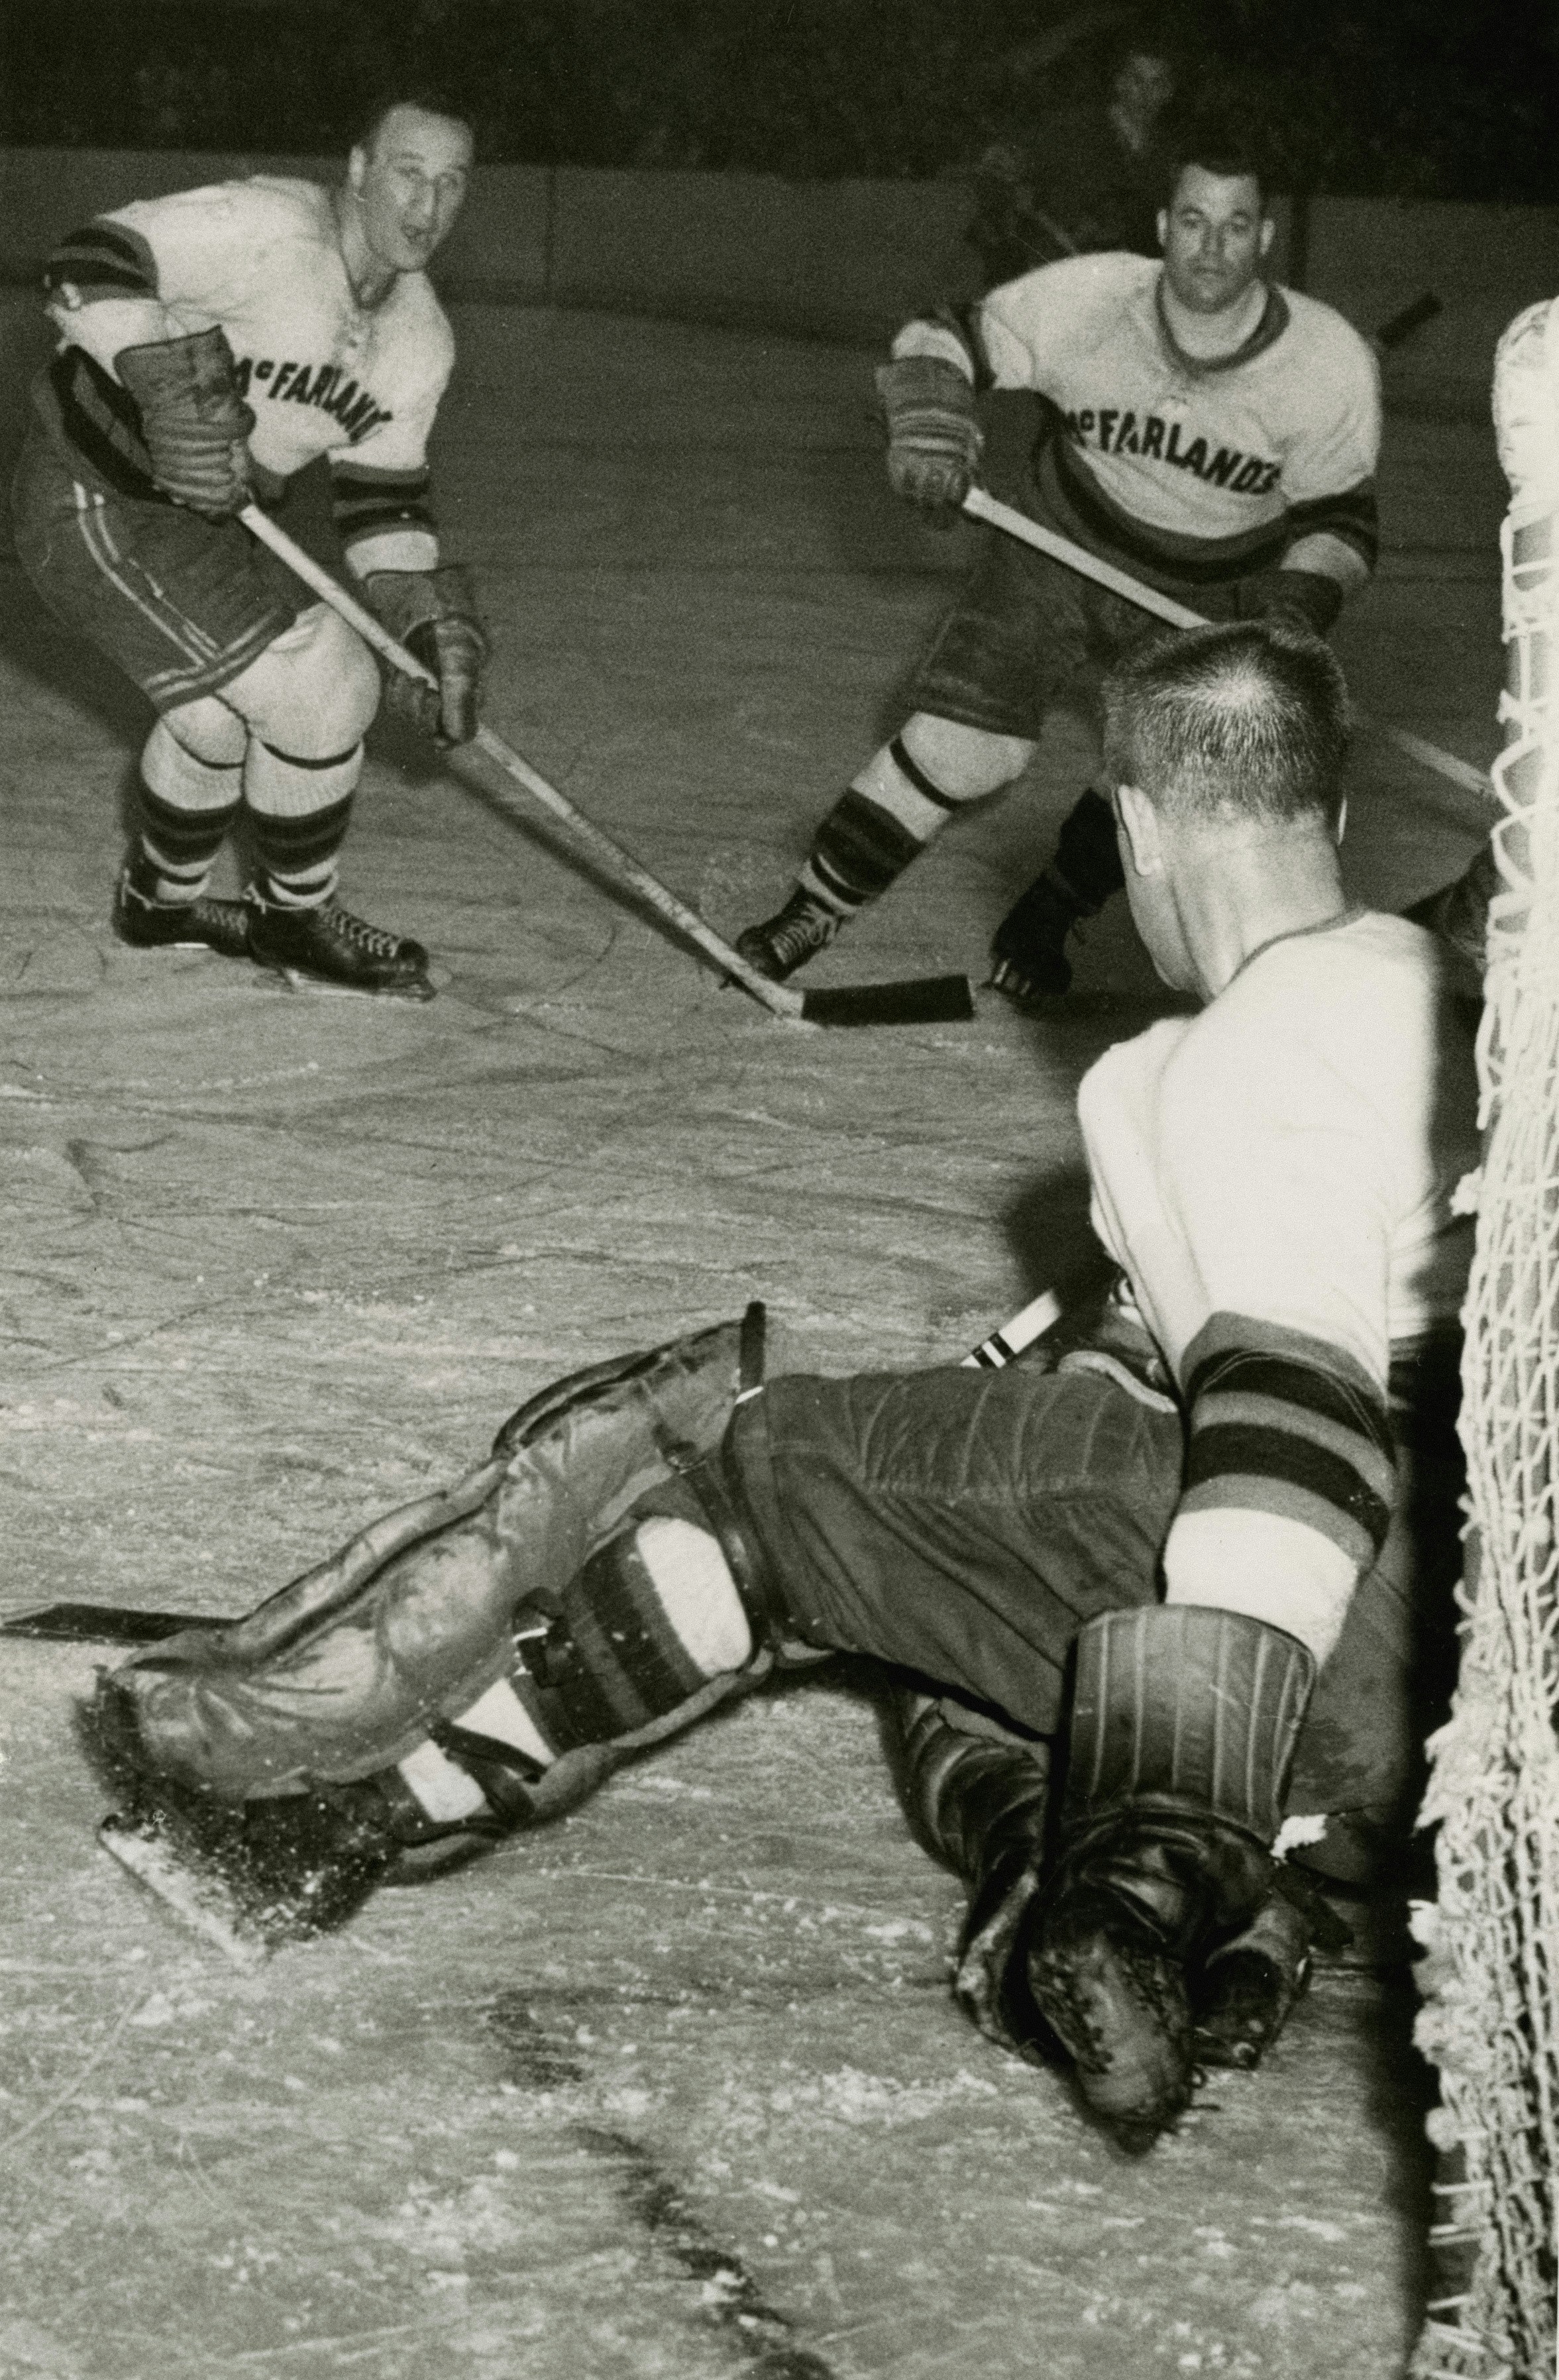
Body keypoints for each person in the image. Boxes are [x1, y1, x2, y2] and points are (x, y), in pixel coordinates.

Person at [87, 621, 1475, 2150]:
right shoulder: (1433, 988)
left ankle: (310, 1825)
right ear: (1332, 818)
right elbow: (1184, 1352)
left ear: (1133, 822)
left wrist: (1173, 1830)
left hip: (1361, 1622)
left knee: (746, 1465)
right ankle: (1177, 1920)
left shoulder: (1217, 1072)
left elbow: (1296, 1420)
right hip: (1474, 1678)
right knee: (937, 1618)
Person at [732, 111, 1381, 1008]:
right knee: (964, 752)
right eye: (1192, 220)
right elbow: (942, 334)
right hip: (1054, 545)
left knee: (1158, 789)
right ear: (1162, 226)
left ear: (1264, 236)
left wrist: (1298, 604)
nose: (1210, 245)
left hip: (1210, 586)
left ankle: (1044, 914)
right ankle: (812, 909)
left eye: (1235, 225)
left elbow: (1342, 519)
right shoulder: (1092, 298)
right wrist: (929, 413)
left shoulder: (1325, 361)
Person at [10, 85, 487, 1000]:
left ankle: (162, 902)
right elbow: (86, 256)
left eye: (451, 184)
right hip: (91, 497)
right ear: (356, 170)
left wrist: (420, 620)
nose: (425, 208)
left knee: (220, 713)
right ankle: (294, 917)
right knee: (323, 684)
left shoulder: (419, 339)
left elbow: (382, 507)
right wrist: (152, 371)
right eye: (406, 174)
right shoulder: (266, 226)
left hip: (199, 527)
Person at [966, 43, 1177, 285]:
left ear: (1168, 92)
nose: (1146, 95)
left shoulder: (1168, 153)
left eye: (1157, 84)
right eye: (1137, 81)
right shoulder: (1075, 131)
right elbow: (1007, 165)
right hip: (1063, 272)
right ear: (1120, 83)